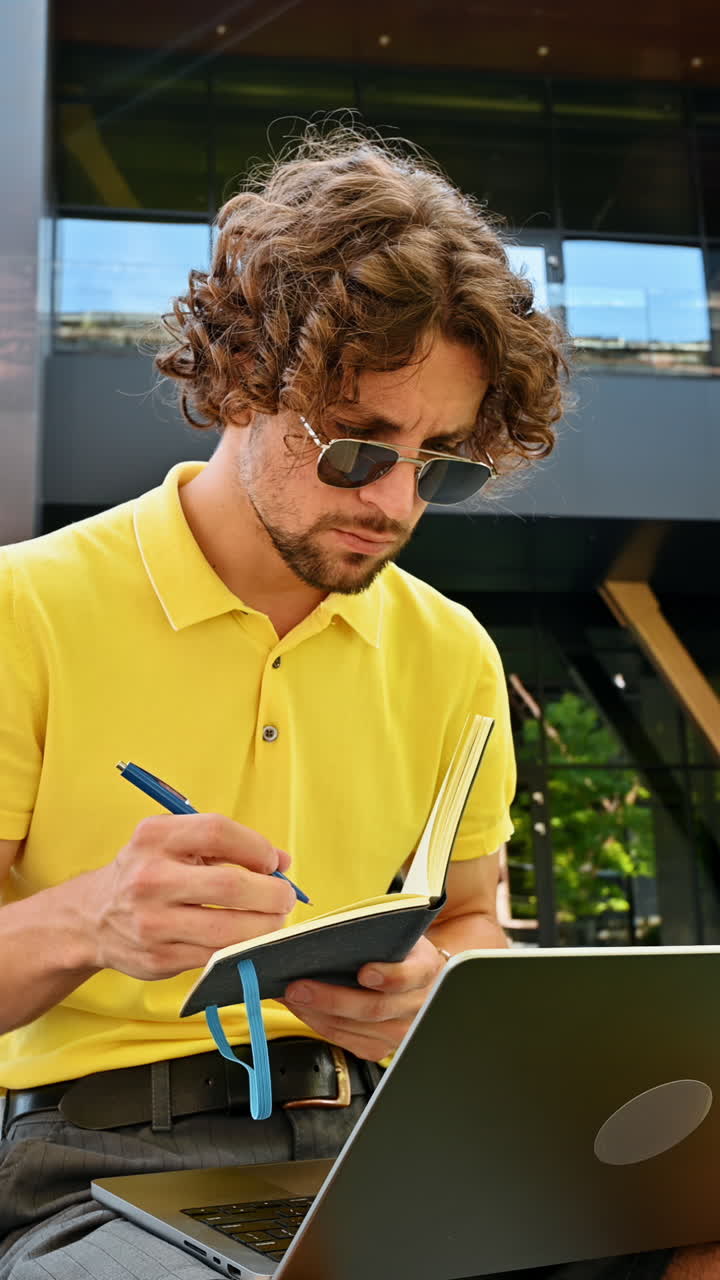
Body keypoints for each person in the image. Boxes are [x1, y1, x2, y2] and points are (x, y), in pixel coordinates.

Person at [0, 127, 703, 1279]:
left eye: (442, 461)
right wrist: (92, 921)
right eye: (356, 448)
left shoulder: (452, 652)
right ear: (237, 382)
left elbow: (471, 916)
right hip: (99, 1161)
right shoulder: (23, 608)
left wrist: (437, 990)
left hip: (400, 1133)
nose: (396, 502)